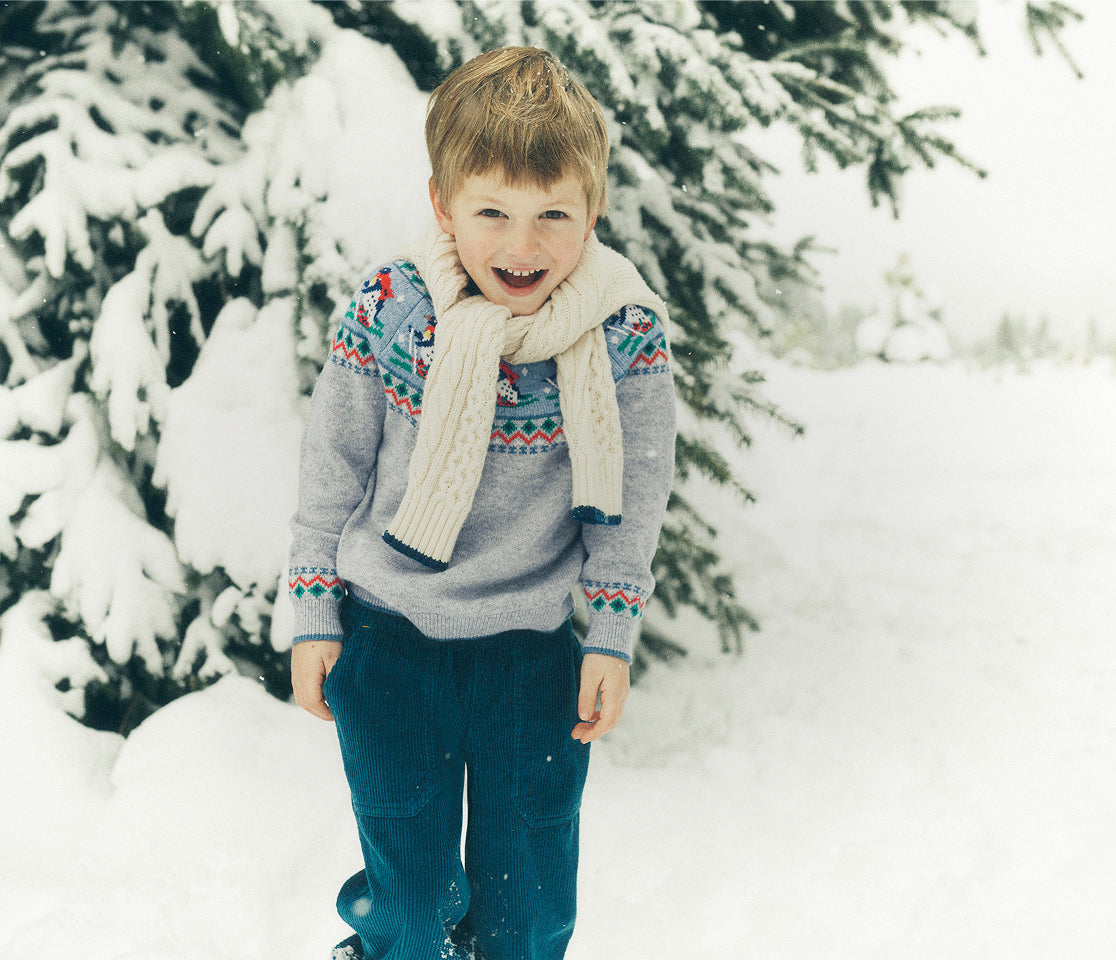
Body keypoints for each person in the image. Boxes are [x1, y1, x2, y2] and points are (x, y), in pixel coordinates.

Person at [287, 45, 676, 961]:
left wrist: (612, 630)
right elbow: (331, 468)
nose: (522, 245)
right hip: (389, 642)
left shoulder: (623, 334)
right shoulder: (393, 311)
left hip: (530, 656)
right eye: (492, 212)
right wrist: (313, 610)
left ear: (593, 212)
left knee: (527, 911)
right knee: (412, 903)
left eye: (553, 215)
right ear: (442, 205)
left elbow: (635, 496)